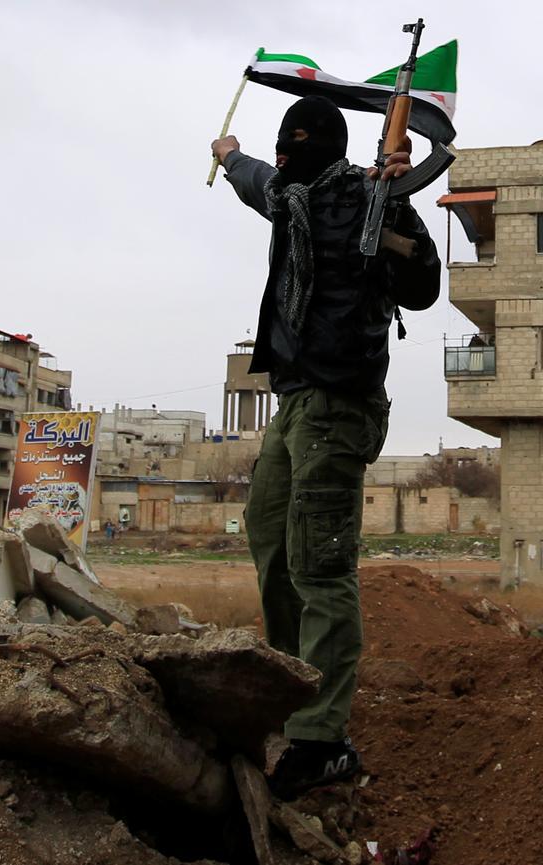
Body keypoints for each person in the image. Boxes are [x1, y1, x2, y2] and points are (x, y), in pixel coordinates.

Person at [211, 95, 440, 799]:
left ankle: (323, 739)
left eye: (293, 149)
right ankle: (292, 686)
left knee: (320, 561)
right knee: (270, 534)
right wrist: (228, 158)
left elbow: (425, 284)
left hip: (340, 401)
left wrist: (397, 199)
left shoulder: (370, 199)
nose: (281, 162)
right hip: (294, 397)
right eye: (279, 153)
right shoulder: (293, 198)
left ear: (323, 150)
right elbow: (261, 182)